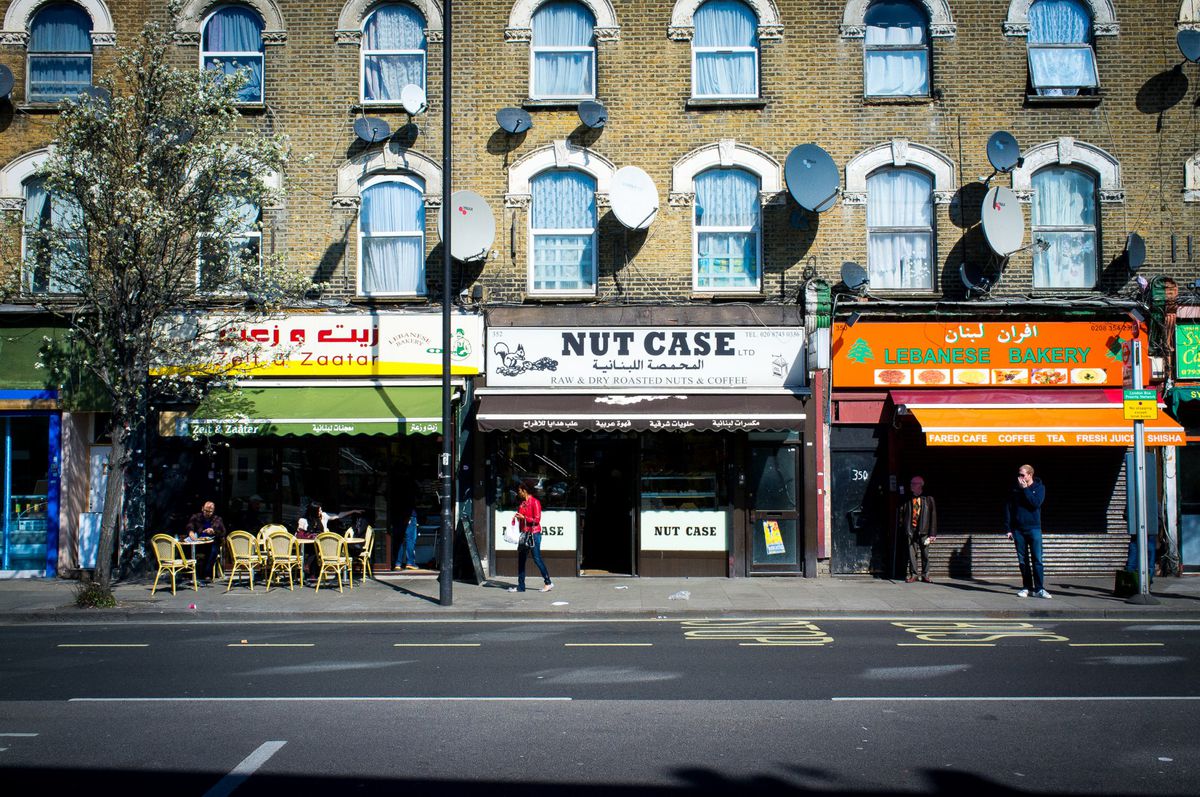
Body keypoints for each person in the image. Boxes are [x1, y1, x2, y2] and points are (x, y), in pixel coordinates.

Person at [1004, 464, 1050, 599]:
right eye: (1019, 475)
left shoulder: (1039, 488)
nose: (1020, 478)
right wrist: (1008, 528)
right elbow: (1008, 508)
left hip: (1034, 529)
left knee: (1037, 560)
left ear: (1030, 475)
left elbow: (1035, 503)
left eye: (1023, 475)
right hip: (1018, 530)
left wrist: (1025, 489)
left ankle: (1040, 588)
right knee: (1023, 561)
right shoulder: (1014, 490)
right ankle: (1027, 587)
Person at [508, 480, 553, 593]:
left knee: (537, 559)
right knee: (521, 560)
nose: (518, 493)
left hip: (534, 534)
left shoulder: (535, 502)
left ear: (524, 490)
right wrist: (518, 517)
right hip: (524, 533)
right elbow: (522, 516)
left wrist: (524, 518)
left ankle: (548, 582)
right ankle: (521, 586)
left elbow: (537, 520)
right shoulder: (523, 503)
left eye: (519, 491)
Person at [898, 475, 937, 583]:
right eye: (911, 483)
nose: (911, 486)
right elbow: (902, 514)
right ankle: (914, 574)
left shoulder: (928, 499)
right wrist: (904, 527)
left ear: (920, 485)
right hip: (911, 530)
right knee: (912, 554)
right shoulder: (907, 499)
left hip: (924, 531)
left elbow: (933, 516)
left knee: (925, 554)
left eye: (913, 484)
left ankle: (925, 575)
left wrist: (932, 533)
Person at [183, 500, 226, 581]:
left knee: (213, 551)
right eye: (206, 511)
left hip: (212, 542)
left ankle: (207, 574)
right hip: (199, 542)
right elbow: (190, 525)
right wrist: (190, 532)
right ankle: (189, 573)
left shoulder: (217, 519)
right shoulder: (196, 517)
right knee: (186, 548)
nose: (208, 513)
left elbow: (223, 532)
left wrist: (213, 531)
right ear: (202, 509)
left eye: (210, 511)